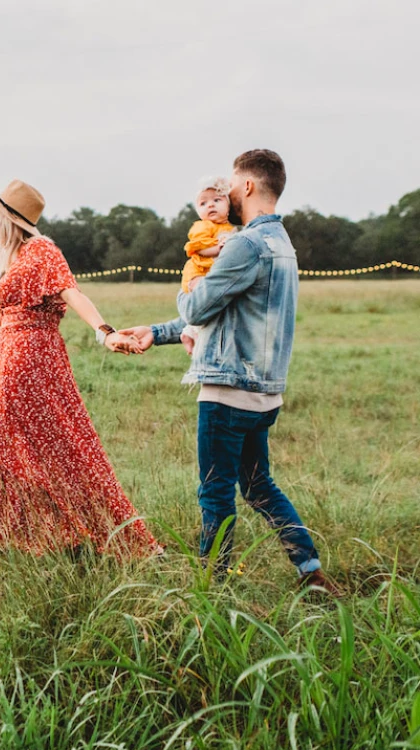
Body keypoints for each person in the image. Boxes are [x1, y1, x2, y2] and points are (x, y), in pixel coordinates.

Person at [120, 150, 338, 592]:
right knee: (259, 487)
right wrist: (157, 332)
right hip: (264, 394)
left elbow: (199, 305)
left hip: (227, 392)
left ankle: (212, 587)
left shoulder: (244, 244)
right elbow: (226, 314)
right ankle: (309, 571)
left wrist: (190, 287)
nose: (228, 194)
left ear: (250, 187)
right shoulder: (282, 245)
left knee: (215, 492)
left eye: (233, 186)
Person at [0, 179, 162, 557]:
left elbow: (72, 292)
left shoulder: (42, 250)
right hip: (10, 360)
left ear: (10, 219)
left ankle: (73, 533)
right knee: (7, 446)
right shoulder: (16, 259)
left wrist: (105, 332)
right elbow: (1, 325)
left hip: (32, 361)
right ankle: (11, 539)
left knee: (59, 446)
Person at [180, 177, 237, 354]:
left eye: (217, 200)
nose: (210, 205)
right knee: (203, 297)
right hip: (198, 270)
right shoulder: (203, 226)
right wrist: (217, 248)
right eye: (203, 203)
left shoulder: (230, 228)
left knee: (213, 303)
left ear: (228, 206)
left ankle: (189, 331)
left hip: (211, 271)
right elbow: (198, 248)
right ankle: (194, 333)